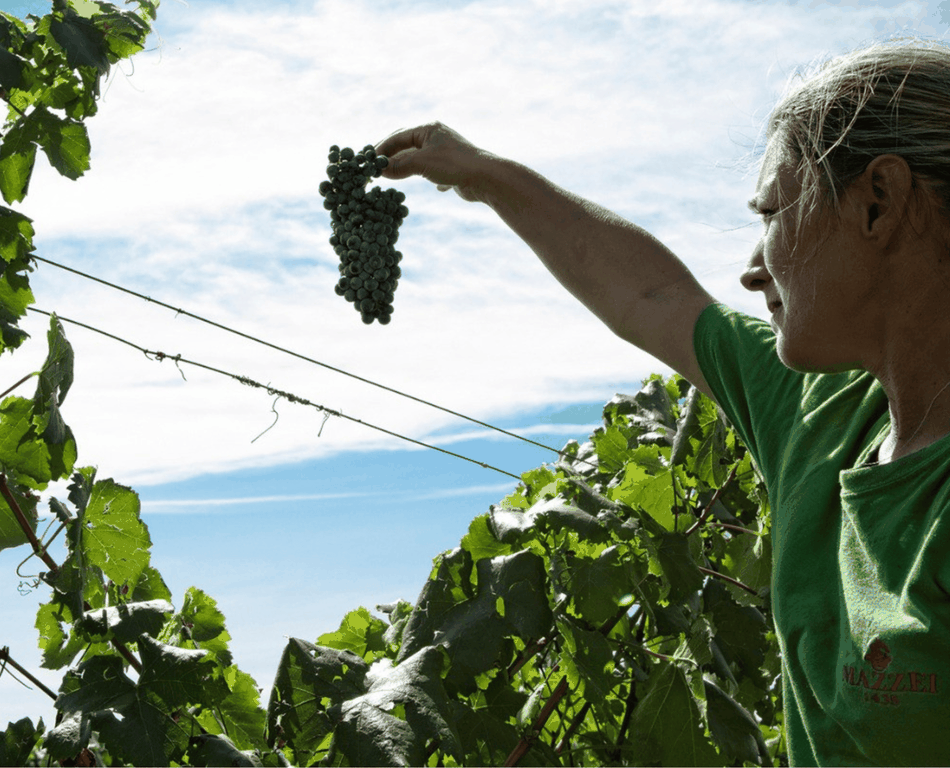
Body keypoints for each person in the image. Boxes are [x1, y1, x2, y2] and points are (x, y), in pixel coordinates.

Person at [375, 39, 950, 767]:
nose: (750, 270)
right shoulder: (820, 411)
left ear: (878, 203)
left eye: (772, 214)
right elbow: (651, 295)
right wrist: (481, 175)